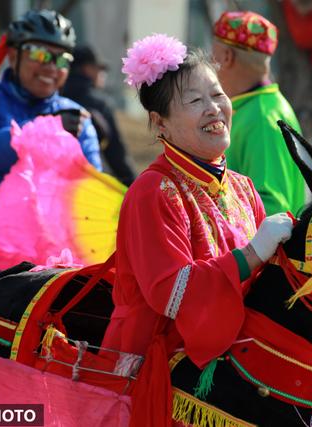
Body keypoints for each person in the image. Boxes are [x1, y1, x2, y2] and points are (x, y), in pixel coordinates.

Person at [101, 34, 293, 423]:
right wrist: (253, 254)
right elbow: (172, 292)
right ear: (160, 123)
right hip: (162, 369)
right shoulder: (152, 191)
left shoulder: (242, 186)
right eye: (194, 101)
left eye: (218, 95)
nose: (214, 109)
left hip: (234, 364)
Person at [0, 9, 101, 368]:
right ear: (14, 55)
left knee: (18, 383)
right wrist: (45, 128)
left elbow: (86, 197)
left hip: (37, 277)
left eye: (62, 58)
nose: (51, 66)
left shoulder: (77, 117)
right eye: (41, 54)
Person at [211, 10, 305, 215]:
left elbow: (272, 208)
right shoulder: (256, 107)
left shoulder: (263, 118)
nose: (210, 63)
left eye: (212, 55)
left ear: (226, 57)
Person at [61, 45, 137, 186]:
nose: (102, 74)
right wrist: (133, 185)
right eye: (100, 69)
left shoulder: (54, 98)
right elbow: (116, 155)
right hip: (89, 184)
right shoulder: (99, 104)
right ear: (87, 69)